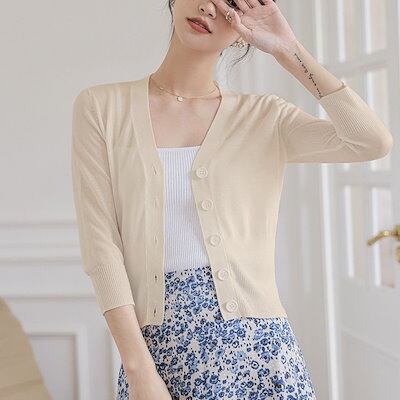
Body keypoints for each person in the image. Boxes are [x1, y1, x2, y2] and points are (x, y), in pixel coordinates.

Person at [70, 1, 393, 399]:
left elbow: (371, 141)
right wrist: (138, 371)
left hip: (262, 353)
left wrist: (288, 50)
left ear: (243, 30)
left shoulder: (265, 117)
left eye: (230, 4)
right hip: (160, 357)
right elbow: (101, 245)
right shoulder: (102, 108)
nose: (209, 7)